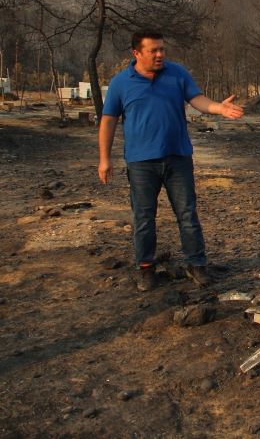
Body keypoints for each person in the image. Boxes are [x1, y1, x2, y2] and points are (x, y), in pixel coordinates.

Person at [98, 30, 243, 291]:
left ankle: (196, 264)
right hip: (141, 163)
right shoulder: (121, 83)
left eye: (162, 49)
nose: (159, 54)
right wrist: (104, 159)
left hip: (178, 158)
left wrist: (218, 108)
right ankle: (146, 268)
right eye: (153, 50)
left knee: (187, 214)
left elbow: (196, 99)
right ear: (136, 53)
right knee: (144, 218)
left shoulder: (177, 73)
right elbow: (108, 121)